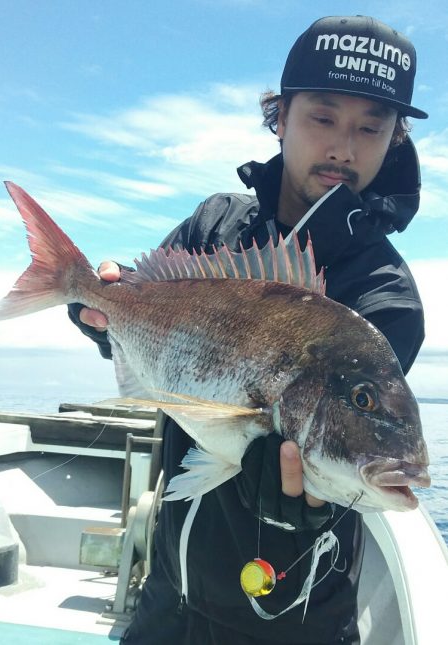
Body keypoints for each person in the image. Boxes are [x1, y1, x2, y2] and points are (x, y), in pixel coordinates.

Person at [68, 15, 427, 645]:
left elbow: (323, 444)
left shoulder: (385, 296)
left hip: (289, 618)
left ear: (395, 139)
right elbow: (145, 310)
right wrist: (105, 314)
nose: (345, 146)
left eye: (371, 127)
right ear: (280, 117)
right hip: (167, 593)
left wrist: (301, 505)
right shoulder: (214, 223)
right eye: (324, 116)